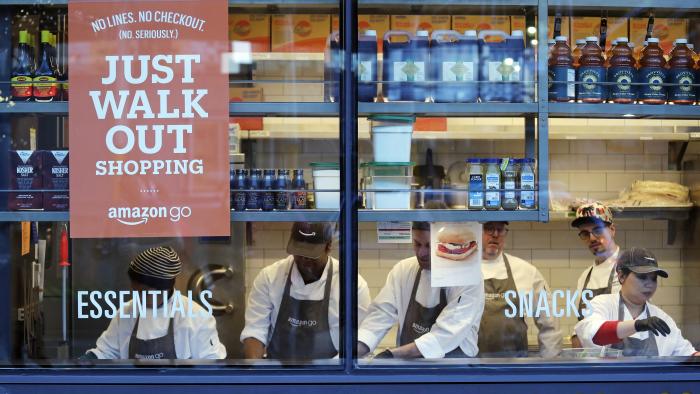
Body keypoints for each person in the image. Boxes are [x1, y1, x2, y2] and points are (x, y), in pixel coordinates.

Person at [241, 222, 371, 360]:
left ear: (328, 247)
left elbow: (359, 341)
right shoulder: (270, 277)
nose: (304, 260)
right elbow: (255, 331)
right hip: (279, 374)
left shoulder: (350, 284)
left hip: (331, 374)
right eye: (299, 252)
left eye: (311, 255)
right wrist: (255, 372)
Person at [356, 219, 485, 359]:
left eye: (429, 246)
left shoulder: (467, 277)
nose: (421, 253)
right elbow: (380, 315)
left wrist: (392, 355)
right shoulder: (403, 270)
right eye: (417, 244)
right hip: (409, 369)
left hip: (453, 372)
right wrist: (356, 349)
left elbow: (447, 333)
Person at [81, 246, 226, 359]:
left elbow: (211, 367)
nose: (138, 298)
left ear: (165, 288)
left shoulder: (196, 317)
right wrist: (83, 362)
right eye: (135, 291)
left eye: (144, 292)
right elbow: (106, 352)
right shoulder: (126, 312)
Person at [575, 248, 699, 357]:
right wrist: (638, 325)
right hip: (609, 382)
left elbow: (687, 354)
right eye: (642, 277)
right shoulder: (603, 304)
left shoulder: (662, 318)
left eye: (654, 278)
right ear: (621, 276)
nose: (649, 284)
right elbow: (595, 335)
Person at [479, 221, 562, 358]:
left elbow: (549, 323)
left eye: (500, 229)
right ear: (476, 231)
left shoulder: (526, 271)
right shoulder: (462, 271)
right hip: (470, 368)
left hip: (515, 369)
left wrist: (550, 366)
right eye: (489, 229)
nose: (495, 235)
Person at [570, 202, 621, 347]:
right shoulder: (585, 277)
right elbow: (583, 324)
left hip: (624, 361)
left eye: (598, 230)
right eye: (585, 234)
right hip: (592, 363)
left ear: (612, 230)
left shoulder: (630, 269)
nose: (592, 238)